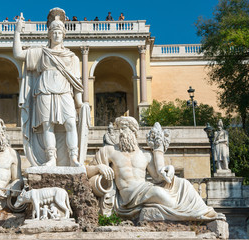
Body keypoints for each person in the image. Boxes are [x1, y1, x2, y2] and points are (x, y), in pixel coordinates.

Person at [86, 116, 222, 221]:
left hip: (145, 189)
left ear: (134, 131)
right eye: (119, 128)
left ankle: (203, 211)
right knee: (157, 193)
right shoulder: (108, 151)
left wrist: (169, 169)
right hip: (128, 196)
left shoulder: (145, 155)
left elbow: (158, 177)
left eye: (124, 128)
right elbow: (86, 171)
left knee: (184, 183)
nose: (120, 132)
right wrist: (99, 167)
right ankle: (192, 214)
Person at [13, 8, 86, 167]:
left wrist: (79, 102)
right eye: (53, 32)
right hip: (44, 91)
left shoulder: (72, 57)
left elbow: (76, 82)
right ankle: (51, 158)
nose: (56, 35)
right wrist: (17, 31)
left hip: (65, 91)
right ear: (49, 34)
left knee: (71, 124)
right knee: (47, 126)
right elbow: (18, 54)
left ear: (64, 34)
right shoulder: (41, 52)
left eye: (59, 32)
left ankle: (73, 158)